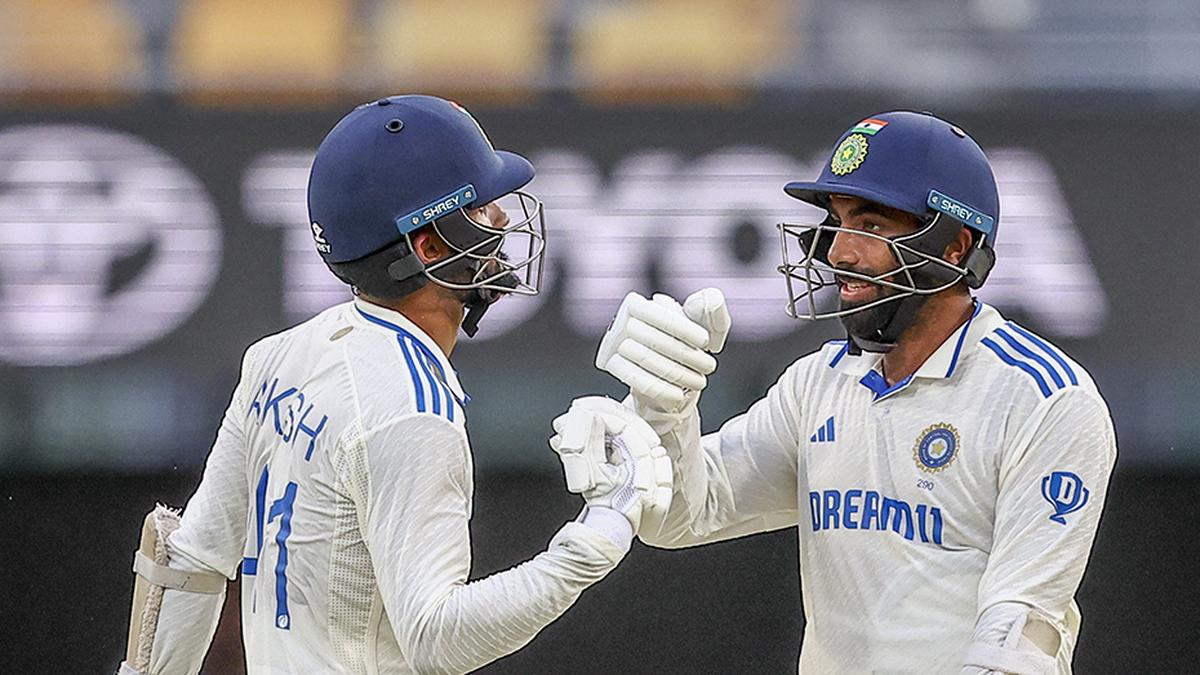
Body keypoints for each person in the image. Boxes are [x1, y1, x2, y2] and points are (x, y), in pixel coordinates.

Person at [117, 94, 670, 675]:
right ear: (428, 247)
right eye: (481, 210)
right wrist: (601, 532)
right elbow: (438, 639)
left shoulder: (277, 355)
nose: (503, 220)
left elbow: (188, 561)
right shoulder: (414, 409)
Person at [587, 111, 1117, 673]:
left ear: (955, 246)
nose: (838, 252)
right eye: (837, 223)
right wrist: (666, 413)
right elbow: (682, 517)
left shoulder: (1046, 401)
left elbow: (1019, 635)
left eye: (870, 225)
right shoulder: (818, 383)